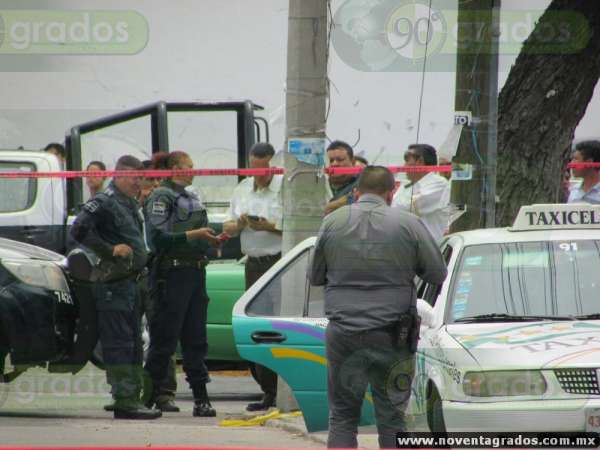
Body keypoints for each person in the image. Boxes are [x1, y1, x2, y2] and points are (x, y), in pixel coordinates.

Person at [309, 166, 447, 448]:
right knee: (393, 417)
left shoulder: (332, 223)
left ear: (356, 192)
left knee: (343, 417)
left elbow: (315, 276)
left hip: (344, 333)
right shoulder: (408, 224)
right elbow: (437, 273)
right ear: (392, 191)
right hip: (393, 335)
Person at [71, 155, 161, 420]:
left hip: (130, 284)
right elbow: (79, 230)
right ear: (120, 175)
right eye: (135, 178)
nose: (139, 183)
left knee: (132, 342)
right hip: (113, 285)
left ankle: (128, 396)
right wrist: (110, 250)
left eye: (141, 178)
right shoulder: (104, 201)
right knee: (120, 342)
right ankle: (125, 401)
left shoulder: (128, 203)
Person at [143, 151, 220, 417]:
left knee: (196, 339)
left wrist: (211, 239)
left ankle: (201, 398)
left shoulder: (191, 197)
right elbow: (158, 238)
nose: (193, 171)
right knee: (164, 340)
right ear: (175, 168)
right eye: (189, 166)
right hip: (171, 276)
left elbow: (198, 231)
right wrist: (193, 234)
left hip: (195, 273)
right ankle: (147, 397)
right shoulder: (161, 196)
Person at [223, 142, 283, 412]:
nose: (259, 175)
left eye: (264, 170)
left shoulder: (286, 188)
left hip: (280, 263)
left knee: (278, 328)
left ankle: (280, 392)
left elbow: (301, 223)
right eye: (254, 169)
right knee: (255, 328)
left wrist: (269, 227)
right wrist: (239, 225)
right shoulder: (243, 188)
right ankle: (267, 389)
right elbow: (228, 225)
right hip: (253, 265)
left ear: (274, 165)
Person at [392, 144, 450, 242]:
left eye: (407, 160)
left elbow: (406, 208)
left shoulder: (439, 184)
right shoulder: (406, 185)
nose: (404, 166)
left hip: (429, 249)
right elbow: (393, 210)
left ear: (420, 161)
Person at [325, 140, 358, 215]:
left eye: (340, 160)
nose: (334, 164)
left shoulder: (364, 182)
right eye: (331, 160)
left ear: (353, 162)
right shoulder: (320, 184)